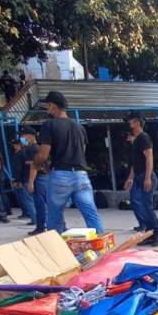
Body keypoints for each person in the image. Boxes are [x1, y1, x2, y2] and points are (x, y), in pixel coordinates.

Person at [34, 91, 104, 235]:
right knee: (90, 212)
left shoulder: (50, 125)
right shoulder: (79, 127)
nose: (47, 109)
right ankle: (100, 244)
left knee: (55, 215)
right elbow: (82, 152)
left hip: (60, 175)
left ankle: (56, 248)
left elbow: (43, 155)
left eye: (48, 106)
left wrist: (36, 164)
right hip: (81, 175)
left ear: (53, 106)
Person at [123, 112, 158, 246]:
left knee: (147, 206)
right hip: (138, 177)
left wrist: (147, 177)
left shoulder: (144, 138)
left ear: (137, 122)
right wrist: (130, 179)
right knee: (136, 203)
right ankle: (149, 233)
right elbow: (135, 164)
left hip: (146, 177)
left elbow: (149, 157)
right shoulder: (136, 141)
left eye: (131, 121)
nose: (129, 123)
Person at [22, 127, 49, 235]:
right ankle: (45, 226)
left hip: (39, 179)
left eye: (23, 136)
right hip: (44, 178)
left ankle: (41, 227)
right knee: (46, 204)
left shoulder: (32, 149)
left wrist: (31, 182)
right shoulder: (38, 148)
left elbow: (35, 166)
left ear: (29, 136)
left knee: (40, 205)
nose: (22, 138)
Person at [9, 137, 35, 222]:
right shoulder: (17, 153)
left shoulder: (22, 153)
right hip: (20, 178)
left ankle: (32, 216)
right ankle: (27, 213)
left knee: (27, 199)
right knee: (22, 198)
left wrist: (18, 180)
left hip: (22, 179)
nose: (14, 146)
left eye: (15, 144)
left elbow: (21, 168)